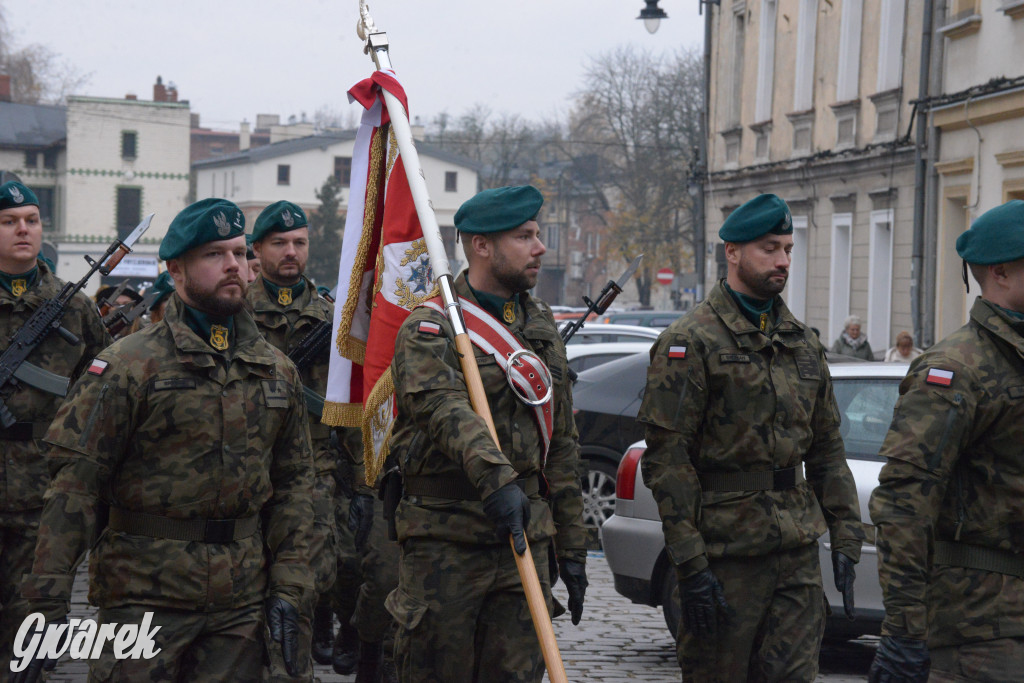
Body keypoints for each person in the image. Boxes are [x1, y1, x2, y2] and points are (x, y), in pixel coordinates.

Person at [17, 198, 317, 682]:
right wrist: (46, 605)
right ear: (175, 269)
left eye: (240, 255)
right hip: (143, 599)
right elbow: (75, 491)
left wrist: (292, 585)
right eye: (214, 255)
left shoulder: (274, 369)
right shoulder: (126, 366)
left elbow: (297, 487)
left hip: (240, 604)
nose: (233, 267)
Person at [638, 193, 865, 681]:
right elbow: (668, 461)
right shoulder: (691, 340)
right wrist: (690, 562)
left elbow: (826, 448)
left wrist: (846, 532)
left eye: (787, 248)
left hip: (796, 554)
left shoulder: (802, 342)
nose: (783, 260)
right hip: (725, 555)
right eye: (769, 248)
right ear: (733, 253)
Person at [387, 185, 590, 681]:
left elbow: (559, 443)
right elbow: (444, 410)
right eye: (524, 236)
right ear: (481, 245)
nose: (540, 248)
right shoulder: (430, 327)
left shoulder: (539, 324)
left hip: (524, 540)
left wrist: (573, 546)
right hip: (447, 543)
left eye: (537, 235)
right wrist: (495, 477)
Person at [868, 200, 1024, 683]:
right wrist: (904, 631)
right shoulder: (957, 368)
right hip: (981, 630)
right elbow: (903, 502)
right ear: (1000, 271)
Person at [0, 181, 112, 673]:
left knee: (31, 621)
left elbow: (108, 383)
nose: (23, 230)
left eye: (31, 220)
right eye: (8, 221)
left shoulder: (74, 307)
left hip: (46, 489)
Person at [247, 200, 337, 681]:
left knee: (299, 592)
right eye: (279, 243)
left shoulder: (333, 319)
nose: (290, 252)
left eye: (299, 243)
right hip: (243, 473)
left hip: (313, 481)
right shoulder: (232, 313)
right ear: (256, 250)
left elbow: (352, 408)